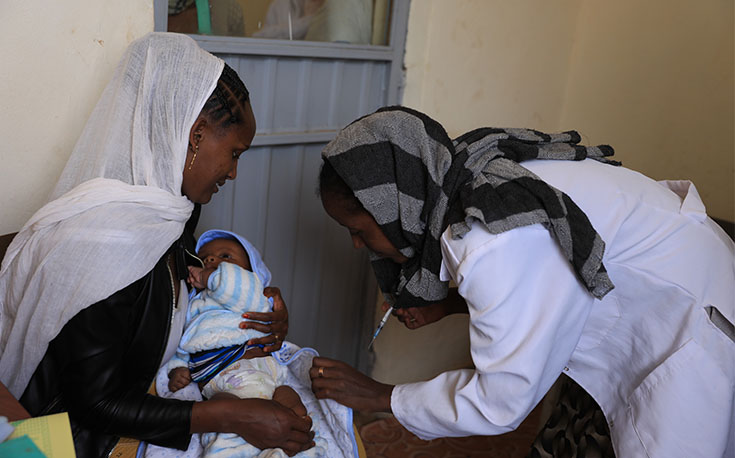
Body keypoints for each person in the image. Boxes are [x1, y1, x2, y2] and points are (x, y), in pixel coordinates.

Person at [309, 106, 735, 458]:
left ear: (394, 208)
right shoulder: (459, 172)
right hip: (656, 289)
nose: (355, 245)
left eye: (359, 230)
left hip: (688, 328)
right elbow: (543, 286)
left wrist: (380, 396)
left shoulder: (493, 239)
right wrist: (450, 305)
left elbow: (501, 402)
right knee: (574, 435)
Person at [0, 33, 314, 458]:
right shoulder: (104, 243)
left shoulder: (171, 210)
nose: (234, 173)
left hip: (153, 389)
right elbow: (93, 403)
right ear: (197, 134)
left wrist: (260, 306)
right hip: (69, 436)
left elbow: (182, 291)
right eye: (235, 153)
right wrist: (229, 417)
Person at [158, 229, 352, 457]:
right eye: (204, 258)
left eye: (226, 256)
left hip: (267, 376)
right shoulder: (195, 306)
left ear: (252, 271)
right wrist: (178, 367)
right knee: (223, 411)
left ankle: (297, 448)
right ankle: (234, 451)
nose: (211, 260)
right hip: (222, 382)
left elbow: (233, 284)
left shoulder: (251, 293)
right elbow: (183, 339)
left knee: (291, 404)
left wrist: (208, 276)